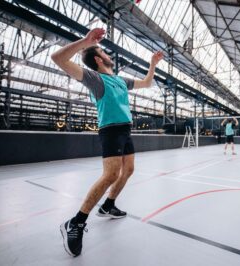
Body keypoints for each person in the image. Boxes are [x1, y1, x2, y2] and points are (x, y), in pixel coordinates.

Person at [51, 28, 163, 257]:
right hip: (110, 130)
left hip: (126, 129)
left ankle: (107, 205)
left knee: (128, 170)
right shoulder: (95, 78)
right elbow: (57, 58)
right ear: (98, 59)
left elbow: (147, 83)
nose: (109, 55)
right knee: (111, 174)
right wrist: (85, 41)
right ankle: (76, 222)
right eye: (104, 51)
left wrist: (152, 63)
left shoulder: (120, 80)